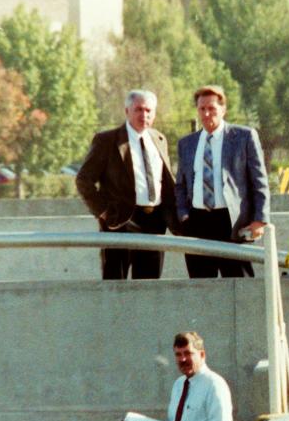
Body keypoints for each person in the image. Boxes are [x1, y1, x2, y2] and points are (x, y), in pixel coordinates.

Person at [76, 90, 177, 280]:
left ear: (154, 114)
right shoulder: (107, 140)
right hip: (120, 221)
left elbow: (166, 182)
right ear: (127, 111)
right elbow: (83, 180)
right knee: (116, 285)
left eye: (148, 110)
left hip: (155, 223)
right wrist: (103, 212)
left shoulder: (159, 139)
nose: (144, 115)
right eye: (138, 109)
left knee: (149, 287)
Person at [174, 86, 270, 278]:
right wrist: (184, 214)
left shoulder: (243, 137)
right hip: (197, 223)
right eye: (202, 109)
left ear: (223, 109)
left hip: (231, 222)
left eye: (212, 108)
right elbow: (181, 185)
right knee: (201, 288)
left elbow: (259, 181)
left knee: (239, 285)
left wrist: (260, 219)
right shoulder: (187, 143)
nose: (207, 113)